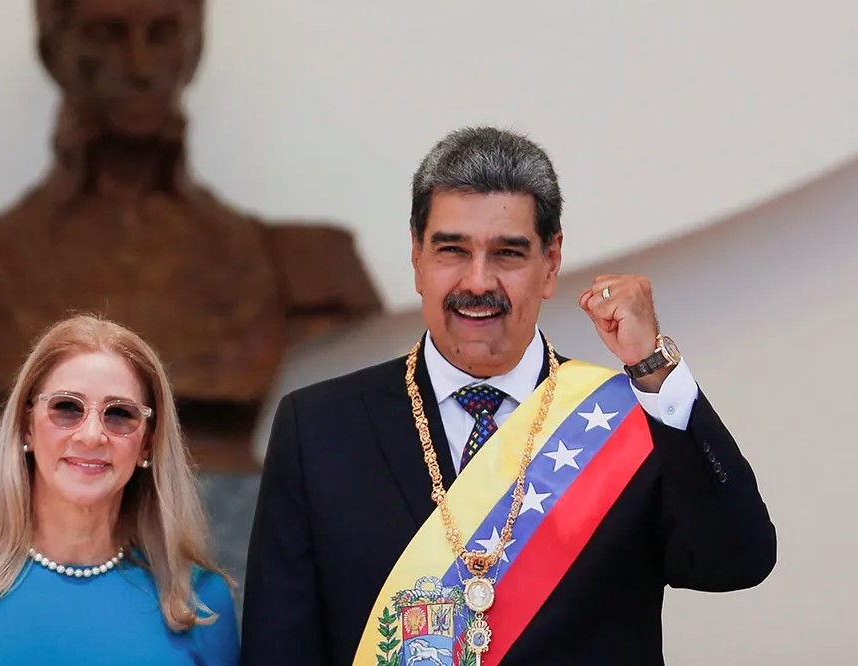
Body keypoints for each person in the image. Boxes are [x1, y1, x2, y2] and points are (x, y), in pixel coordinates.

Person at [240, 127, 776, 665]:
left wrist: (654, 369)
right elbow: (280, 648)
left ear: (551, 262)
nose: (478, 282)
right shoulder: (319, 428)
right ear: (417, 257)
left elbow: (735, 560)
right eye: (452, 250)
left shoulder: (630, 415)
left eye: (507, 254)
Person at [0, 314, 240, 665]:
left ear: (147, 443)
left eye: (119, 413)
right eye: (67, 407)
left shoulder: (200, 602)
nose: (91, 436)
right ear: (26, 426)